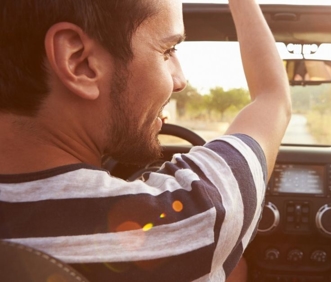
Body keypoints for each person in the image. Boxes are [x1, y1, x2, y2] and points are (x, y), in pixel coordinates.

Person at [0, 0, 291, 281]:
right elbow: (272, 99)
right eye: (167, 50)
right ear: (80, 62)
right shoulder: (185, 219)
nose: (180, 80)